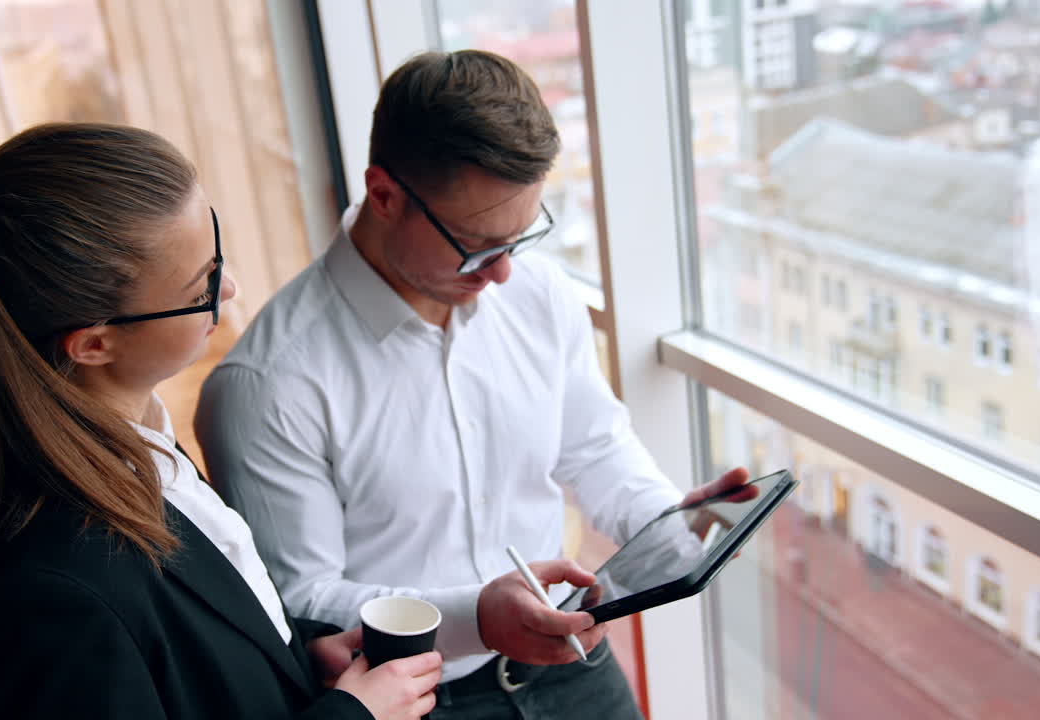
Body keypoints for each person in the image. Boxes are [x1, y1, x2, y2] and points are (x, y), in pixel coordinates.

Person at [195, 51, 750, 719]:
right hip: (415, 699)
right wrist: (478, 618)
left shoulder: (540, 293)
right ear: (384, 195)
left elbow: (597, 449)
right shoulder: (266, 385)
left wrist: (674, 530)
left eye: (521, 237)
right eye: (476, 244)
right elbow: (301, 599)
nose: (504, 273)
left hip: (576, 666)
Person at [0, 122, 445, 720]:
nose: (229, 288)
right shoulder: (43, 597)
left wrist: (297, 655)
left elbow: (190, 643)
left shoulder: (141, 447)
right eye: (199, 286)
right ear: (94, 344)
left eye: (217, 254)